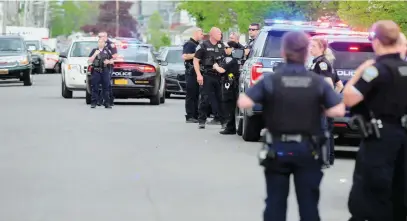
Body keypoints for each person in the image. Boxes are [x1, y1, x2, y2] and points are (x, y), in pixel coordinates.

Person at [237, 31, 345, 221]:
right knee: (309, 204)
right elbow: (338, 110)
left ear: (284, 52)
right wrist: (318, 107)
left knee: (275, 203)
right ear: (305, 53)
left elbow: (244, 102)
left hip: (277, 148)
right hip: (308, 149)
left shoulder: (272, 80)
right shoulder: (316, 81)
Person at [343, 20, 407, 221]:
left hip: (381, 135)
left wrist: (360, 71)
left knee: (372, 186)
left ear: (376, 41)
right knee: (400, 187)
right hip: (403, 135)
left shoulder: (375, 69)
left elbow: (350, 97)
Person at [309, 38, 342, 166]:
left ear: (321, 48)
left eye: (313, 46)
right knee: (326, 130)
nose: (310, 48)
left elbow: (328, 84)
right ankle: (328, 158)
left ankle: (323, 159)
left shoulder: (321, 63)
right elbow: (339, 85)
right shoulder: (324, 63)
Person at [193, 27, 225, 129]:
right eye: (219, 33)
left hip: (220, 76)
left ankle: (222, 120)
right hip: (207, 75)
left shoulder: (222, 45)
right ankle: (202, 120)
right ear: (212, 35)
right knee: (205, 98)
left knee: (221, 98)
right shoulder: (203, 45)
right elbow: (195, 60)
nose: (220, 35)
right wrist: (198, 74)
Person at [212, 41, 240, 134]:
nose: (225, 49)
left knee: (228, 105)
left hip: (229, 84)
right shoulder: (235, 59)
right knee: (229, 105)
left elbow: (221, 70)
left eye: (227, 47)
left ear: (232, 49)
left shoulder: (230, 59)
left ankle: (230, 127)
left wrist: (215, 66)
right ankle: (230, 126)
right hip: (231, 83)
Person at [182, 27, 204, 123]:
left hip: (197, 72)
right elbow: (185, 56)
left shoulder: (197, 44)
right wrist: (197, 55)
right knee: (191, 94)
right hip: (191, 73)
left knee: (196, 94)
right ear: (195, 33)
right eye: (201, 33)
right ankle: (190, 115)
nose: (202, 35)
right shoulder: (189, 44)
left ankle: (195, 115)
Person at [88, 38, 114, 108]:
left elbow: (112, 60)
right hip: (96, 71)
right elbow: (89, 61)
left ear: (104, 44)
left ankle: (107, 103)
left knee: (106, 88)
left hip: (105, 70)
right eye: (99, 42)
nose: (100, 43)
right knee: (95, 87)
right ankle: (94, 103)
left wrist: (108, 62)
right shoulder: (94, 50)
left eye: (102, 42)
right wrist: (94, 54)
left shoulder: (107, 51)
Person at [97, 31, 118, 106]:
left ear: (105, 37)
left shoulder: (111, 45)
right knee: (104, 84)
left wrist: (108, 61)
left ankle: (101, 100)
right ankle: (110, 99)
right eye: (98, 37)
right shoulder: (99, 44)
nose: (99, 38)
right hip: (99, 67)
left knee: (106, 83)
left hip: (108, 67)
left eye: (101, 37)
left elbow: (115, 56)